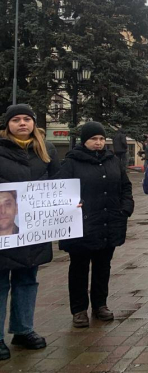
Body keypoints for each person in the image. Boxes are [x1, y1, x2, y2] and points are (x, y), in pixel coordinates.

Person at [55, 122, 134, 328]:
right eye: (93, 139)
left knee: (102, 267)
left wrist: (125, 208)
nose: (98, 143)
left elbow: (125, 186)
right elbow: (60, 190)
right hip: (81, 224)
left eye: (101, 139)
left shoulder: (113, 161)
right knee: (79, 268)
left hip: (108, 223)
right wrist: (71, 205)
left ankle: (100, 305)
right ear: (84, 141)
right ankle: (79, 309)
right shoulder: (71, 163)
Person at [0, 104, 60, 359]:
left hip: (35, 230)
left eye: (27, 119)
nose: (22, 123)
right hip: (4, 228)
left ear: (34, 123)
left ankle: (24, 330)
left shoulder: (46, 150)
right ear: (7, 125)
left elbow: (59, 182)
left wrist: (70, 202)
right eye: (16, 120)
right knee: (0, 283)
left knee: (27, 280)